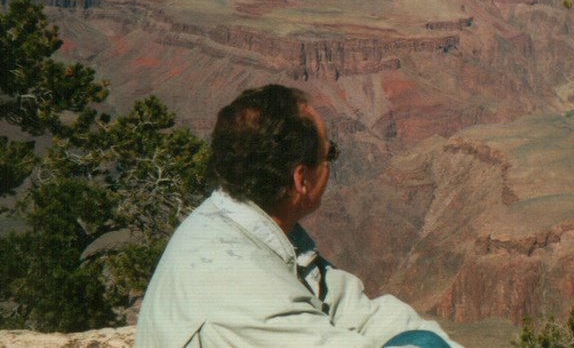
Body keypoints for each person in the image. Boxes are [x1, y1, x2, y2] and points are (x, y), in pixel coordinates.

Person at [136, 84, 459, 348]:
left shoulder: (253, 224)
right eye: (328, 154)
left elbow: (353, 308)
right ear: (300, 179)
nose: (331, 165)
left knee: (423, 340)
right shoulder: (242, 288)